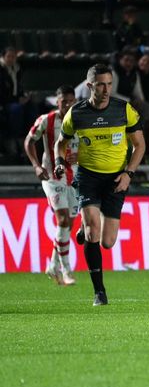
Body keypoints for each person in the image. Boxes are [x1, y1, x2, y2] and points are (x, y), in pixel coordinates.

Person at [54, 63, 145, 306]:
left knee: (107, 242)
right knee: (94, 232)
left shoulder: (124, 110)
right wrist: (60, 161)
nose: (106, 89)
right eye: (101, 85)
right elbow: (60, 143)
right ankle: (99, 292)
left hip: (116, 178)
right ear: (89, 86)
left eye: (109, 84)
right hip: (88, 177)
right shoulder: (77, 113)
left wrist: (129, 174)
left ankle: (85, 229)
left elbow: (140, 145)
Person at [24, 85, 79, 286]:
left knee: (69, 225)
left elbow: (91, 147)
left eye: (70, 101)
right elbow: (29, 141)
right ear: (57, 102)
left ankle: (53, 265)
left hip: (75, 178)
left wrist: (80, 156)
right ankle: (66, 270)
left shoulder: (80, 121)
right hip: (52, 177)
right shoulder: (45, 121)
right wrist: (36, 166)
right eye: (63, 101)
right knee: (63, 220)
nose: (67, 104)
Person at [0, 46, 37, 158]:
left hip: (15, 100)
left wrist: (24, 96)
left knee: (32, 108)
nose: (11, 59)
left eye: (13, 57)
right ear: (3, 57)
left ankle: (29, 140)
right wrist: (18, 100)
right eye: (9, 56)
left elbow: (18, 88)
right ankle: (13, 139)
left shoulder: (17, 69)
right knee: (16, 109)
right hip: (4, 102)